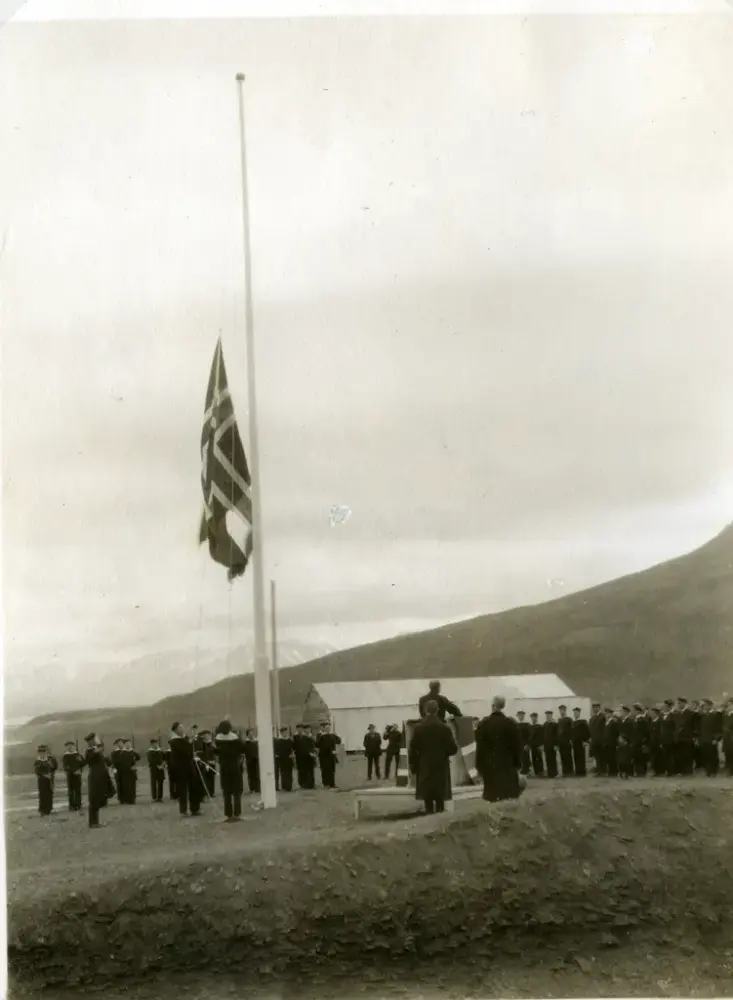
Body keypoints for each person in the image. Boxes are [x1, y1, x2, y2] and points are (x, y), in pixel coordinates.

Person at [408, 699, 458, 814]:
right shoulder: (445, 728)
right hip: (441, 765)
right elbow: (453, 749)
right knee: (440, 795)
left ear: (425, 711)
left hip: (424, 765)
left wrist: (413, 766)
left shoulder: (418, 728)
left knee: (428, 796)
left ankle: (429, 814)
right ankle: (440, 816)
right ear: (437, 711)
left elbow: (413, 749)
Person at [475, 696, 523, 802]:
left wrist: (479, 767)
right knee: (508, 799)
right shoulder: (511, 723)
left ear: (493, 706)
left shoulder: (484, 724)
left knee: (493, 799)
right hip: (508, 767)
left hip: (490, 767)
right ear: (503, 706)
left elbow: (480, 748)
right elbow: (517, 747)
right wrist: (518, 764)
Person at [214, 721, 246, 821]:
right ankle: (237, 813)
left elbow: (216, 752)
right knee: (237, 791)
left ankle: (228, 814)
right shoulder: (235, 739)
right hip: (234, 766)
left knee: (226, 791)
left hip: (224, 767)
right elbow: (243, 748)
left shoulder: (218, 739)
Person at [168, 722, 201, 817]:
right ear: (176, 730)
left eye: (182, 726)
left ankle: (195, 808)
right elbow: (184, 751)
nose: (182, 728)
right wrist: (189, 742)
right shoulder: (174, 741)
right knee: (183, 789)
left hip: (189, 766)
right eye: (180, 727)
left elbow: (190, 751)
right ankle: (184, 810)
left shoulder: (183, 739)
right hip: (180, 768)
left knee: (194, 786)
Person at [84, 733, 110, 828]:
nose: (95, 741)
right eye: (94, 740)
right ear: (90, 742)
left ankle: (95, 822)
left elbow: (103, 756)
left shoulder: (97, 751)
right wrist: (99, 747)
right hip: (94, 777)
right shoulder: (89, 751)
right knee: (93, 800)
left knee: (98, 798)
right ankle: (92, 822)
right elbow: (91, 756)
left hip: (100, 777)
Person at [34, 745, 57, 816]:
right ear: (39, 753)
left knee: (49, 793)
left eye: (44, 752)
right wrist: (45, 775)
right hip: (42, 780)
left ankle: (49, 808)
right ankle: (42, 809)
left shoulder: (50, 759)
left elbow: (55, 766)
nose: (42, 754)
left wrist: (51, 772)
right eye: (41, 752)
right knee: (42, 794)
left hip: (50, 779)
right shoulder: (37, 761)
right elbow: (37, 771)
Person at [674, 697, 695, 775]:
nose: (678, 705)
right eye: (677, 703)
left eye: (679, 703)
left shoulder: (690, 713)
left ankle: (688, 771)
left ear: (684, 703)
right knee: (680, 755)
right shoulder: (677, 713)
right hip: (679, 738)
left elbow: (693, 726)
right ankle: (682, 771)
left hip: (687, 738)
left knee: (687, 755)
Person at [317, 722, 341, 788]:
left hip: (331, 755)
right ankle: (326, 784)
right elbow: (317, 744)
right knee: (325, 770)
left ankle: (332, 784)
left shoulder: (332, 735)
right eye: (327, 728)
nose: (328, 729)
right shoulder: (321, 736)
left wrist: (337, 736)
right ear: (324, 729)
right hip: (324, 756)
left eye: (329, 728)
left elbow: (339, 741)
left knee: (332, 770)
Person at [61, 741, 84, 811]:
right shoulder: (65, 756)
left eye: (71, 745)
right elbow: (65, 766)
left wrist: (81, 762)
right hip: (70, 775)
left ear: (73, 746)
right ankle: (71, 805)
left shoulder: (77, 754)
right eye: (68, 746)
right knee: (71, 791)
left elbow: (83, 763)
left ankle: (78, 805)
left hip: (78, 775)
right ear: (66, 747)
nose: (70, 747)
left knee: (78, 790)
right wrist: (74, 771)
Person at [118, 739, 140, 804]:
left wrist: (134, 764)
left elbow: (138, 757)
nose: (128, 745)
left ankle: (132, 799)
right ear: (125, 745)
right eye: (127, 744)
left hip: (132, 772)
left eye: (129, 744)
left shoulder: (132, 752)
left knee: (132, 786)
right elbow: (121, 763)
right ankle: (126, 799)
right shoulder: (122, 753)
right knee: (126, 786)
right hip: (125, 772)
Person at [631, 703, 651, 778]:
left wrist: (643, 743)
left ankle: (641, 773)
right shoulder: (635, 720)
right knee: (637, 759)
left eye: (633, 710)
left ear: (637, 711)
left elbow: (645, 734)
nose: (632, 712)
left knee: (641, 760)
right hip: (636, 744)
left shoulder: (642, 721)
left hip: (640, 745)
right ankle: (638, 773)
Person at [571, 707, 590, 777]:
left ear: (579, 713)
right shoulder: (573, 722)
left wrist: (585, 741)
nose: (575, 714)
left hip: (581, 742)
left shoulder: (583, 721)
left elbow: (587, 731)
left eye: (576, 712)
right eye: (574, 713)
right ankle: (577, 771)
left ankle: (582, 772)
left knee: (581, 757)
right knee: (576, 757)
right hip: (575, 742)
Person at [274, 727, 295, 792]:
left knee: (289, 773)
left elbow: (293, 749)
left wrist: (292, 754)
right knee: (283, 773)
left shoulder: (290, 740)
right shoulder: (278, 741)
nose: (285, 733)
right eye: (283, 732)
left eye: (286, 732)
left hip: (289, 758)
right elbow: (276, 750)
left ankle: (289, 786)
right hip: (282, 759)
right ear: (281, 733)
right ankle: (285, 786)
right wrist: (277, 755)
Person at [198, 730, 217, 798]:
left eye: (209, 735)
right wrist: (206, 762)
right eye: (206, 735)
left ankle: (211, 792)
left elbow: (215, 753)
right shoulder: (202, 744)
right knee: (206, 778)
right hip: (206, 763)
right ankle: (206, 793)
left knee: (212, 778)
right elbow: (203, 754)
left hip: (212, 762)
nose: (208, 736)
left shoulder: (211, 744)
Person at [556, 705, 574, 777]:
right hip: (561, 741)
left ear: (565, 710)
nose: (561, 711)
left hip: (567, 740)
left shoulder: (569, 719)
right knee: (562, 756)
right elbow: (558, 731)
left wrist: (571, 739)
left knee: (568, 756)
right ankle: (565, 772)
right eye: (560, 710)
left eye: (563, 710)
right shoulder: (559, 720)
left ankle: (570, 771)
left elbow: (572, 730)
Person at [588, 702, 606, 775]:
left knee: (601, 756)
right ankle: (598, 770)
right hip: (594, 740)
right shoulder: (592, 718)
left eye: (596, 707)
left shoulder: (602, 717)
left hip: (600, 740)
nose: (594, 709)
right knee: (596, 756)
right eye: (593, 708)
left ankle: (602, 770)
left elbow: (603, 729)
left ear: (599, 708)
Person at [147, 737, 166, 802]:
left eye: (156, 743)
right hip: (154, 769)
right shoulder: (150, 752)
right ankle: (154, 797)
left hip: (161, 769)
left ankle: (160, 797)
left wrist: (163, 764)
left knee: (160, 783)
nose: (156, 745)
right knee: (154, 783)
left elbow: (164, 758)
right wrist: (157, 766)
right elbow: (151, 761)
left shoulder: (160, 751)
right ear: (152, 744)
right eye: (154, 744)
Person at [603, 707, 619, 777]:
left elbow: (616, 733)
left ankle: (613, 772)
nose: (607, 715)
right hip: (606, 743)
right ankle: (610, 771)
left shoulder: (614, 722)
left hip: (612, 743)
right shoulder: (606, 722)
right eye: (606, 713)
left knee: (612, 758)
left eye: (608, 713)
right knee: (608, 758)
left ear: (611, 714)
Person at [243, 729, 261, 794]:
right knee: (251, 775)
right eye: (250, 734)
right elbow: (244, 752)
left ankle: (257, 788)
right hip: (249, 760)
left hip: (256, 760)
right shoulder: (246, 743)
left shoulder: (256, 742)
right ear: (247, 735)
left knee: (257, 774)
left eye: (252, 733)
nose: (251, 735)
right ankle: (252, 788)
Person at [543, 710, 558, 779]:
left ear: (551, 715)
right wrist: (543, 745)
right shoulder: (545, 724)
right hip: (546, 745)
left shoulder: (554, 724)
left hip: (552, 745)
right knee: (547, 759)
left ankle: (554, 773)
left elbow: (556, 735)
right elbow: (543, 735)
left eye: (549, 715)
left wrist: (556, 745)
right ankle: (549, 773)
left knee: (553, 759)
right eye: (547, 715)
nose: (548, 716)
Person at [516, 712, 531, 776]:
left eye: (522, 715)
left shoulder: (527, 724)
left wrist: (527, 744)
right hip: (519, 744)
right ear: (517, 716)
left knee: (526, 757)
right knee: (520, 757)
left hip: (525, 744)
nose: (521, 716)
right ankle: (522, 770)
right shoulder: (516, 724)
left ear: (524, 716)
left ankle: (526, 770)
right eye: (519, 715)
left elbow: (530, 735)